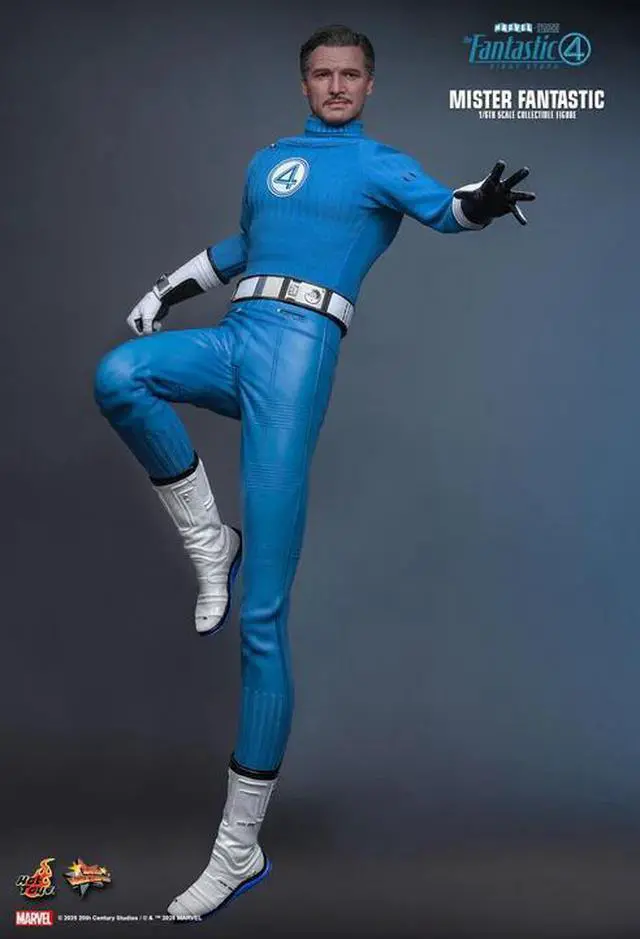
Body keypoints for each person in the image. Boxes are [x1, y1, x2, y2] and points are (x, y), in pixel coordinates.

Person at [93, 24, 535, 920]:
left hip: (298, 355)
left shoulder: (380, 166)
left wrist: (483, 204)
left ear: (370, 85)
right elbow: (244, 244)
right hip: (237, 335)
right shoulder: (268, 162)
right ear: (305, 82)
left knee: (263, 617)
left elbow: (446, 209)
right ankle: (208, 539)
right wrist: (166, 289)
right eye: (323, 74)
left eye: (350, 75)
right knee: (121, 375)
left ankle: (237, 849)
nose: (336, 87)